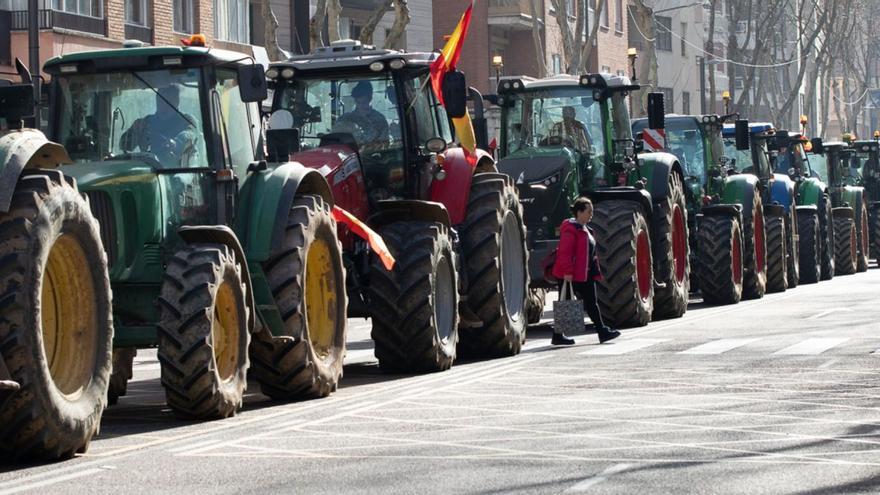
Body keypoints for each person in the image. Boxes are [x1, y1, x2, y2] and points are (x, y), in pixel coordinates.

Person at [551, 197, 620, 345]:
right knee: (565, 303)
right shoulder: (571, 228)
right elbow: (564, 252)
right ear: (579, 212)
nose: (591, 215)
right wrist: (568, 272)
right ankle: (558, 336)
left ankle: (602, 331)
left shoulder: (586, 229)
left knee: (591, 303)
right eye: (589, 211)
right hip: (570, 275)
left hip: (584, 274)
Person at [120, 84, 199, 165]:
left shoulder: (186, 120)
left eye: (168, 97)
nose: (162, 101)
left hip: (178, 171)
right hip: (150, 171)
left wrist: (176, 143)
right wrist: (135, 132)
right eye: (160, 97)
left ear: (176, 100)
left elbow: (190, 134)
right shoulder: (144, 122)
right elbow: (124, 145)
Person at [337, 80, 389, 148]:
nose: (361, 106)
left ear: (370, 99)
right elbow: (336, 141)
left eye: (364, 102)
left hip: (374, 156)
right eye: (358, 102)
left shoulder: (380, 120)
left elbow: (384, 144)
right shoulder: (345, 119)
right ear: (355, 100)